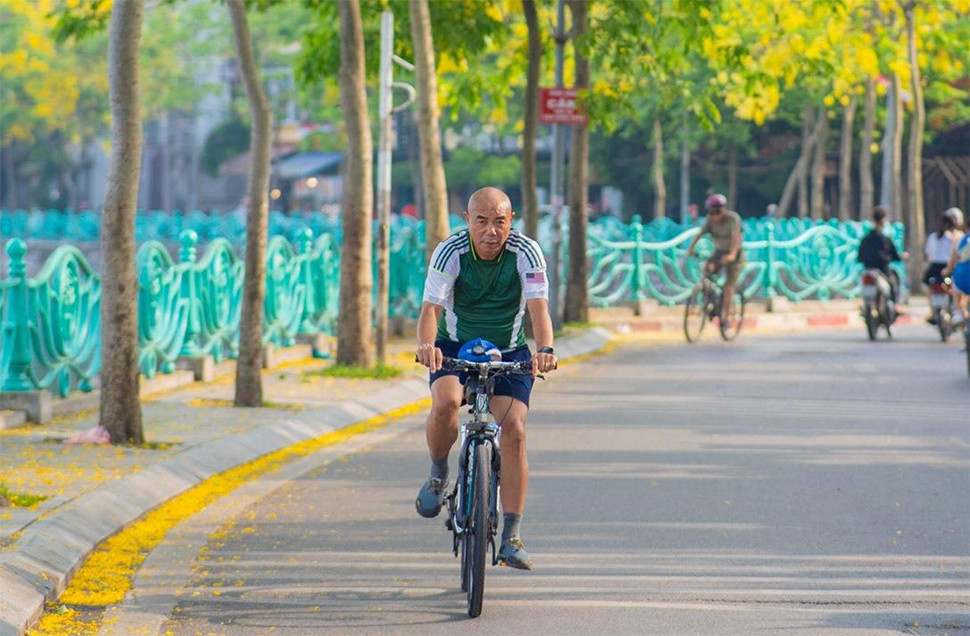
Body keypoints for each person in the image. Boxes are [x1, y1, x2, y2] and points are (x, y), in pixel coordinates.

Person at [414, 186, 558, 571]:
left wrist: (545, 349)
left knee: (514, 430)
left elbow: (538, 308)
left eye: (500, 222)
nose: (491, 231)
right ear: (467, 220)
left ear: (512, 222)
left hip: (508, 351)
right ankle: (438, 474)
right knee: (446, 403)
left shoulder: (526, 252)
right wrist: (427, 346)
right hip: (454, 346)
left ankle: (511, 535)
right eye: (481, 221)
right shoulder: (450, 251)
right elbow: (430, 309)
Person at [685, 193, 744, 327]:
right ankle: (709, 301)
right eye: (712, 213)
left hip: (735, 254)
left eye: (717, 212)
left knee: (728, 287)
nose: (715, 216)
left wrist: (732, 254)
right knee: (707, 269)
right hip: (719, 251)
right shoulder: (710, 220)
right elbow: (700, 233)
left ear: (723, 210)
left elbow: (736, 237)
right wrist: (691, 248)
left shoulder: (732, 219)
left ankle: (726, 318)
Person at [857, 205, 908, 309]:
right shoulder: (885, 239)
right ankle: (896, 305)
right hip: (882, 271)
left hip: (867, 269)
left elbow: (860, 257)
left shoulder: (865, 239)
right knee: (894, 280)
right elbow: (895, 256)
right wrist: (902, 256)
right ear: (884, 220)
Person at [922, 208, 962, 324]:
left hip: (933, 269)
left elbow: (928, 255)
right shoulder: (953, 238)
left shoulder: (932, 237)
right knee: (951, 287)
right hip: (946, 269)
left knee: (930, 287)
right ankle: (956, 310)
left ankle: (932, 312)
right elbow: (955, 255)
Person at [942, 207, 969, 324]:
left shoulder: (960, 239)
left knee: (953, 287)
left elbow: (953, 261)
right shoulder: (959, 235)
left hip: (960, 277)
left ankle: (959, 311)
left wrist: (947, 270)